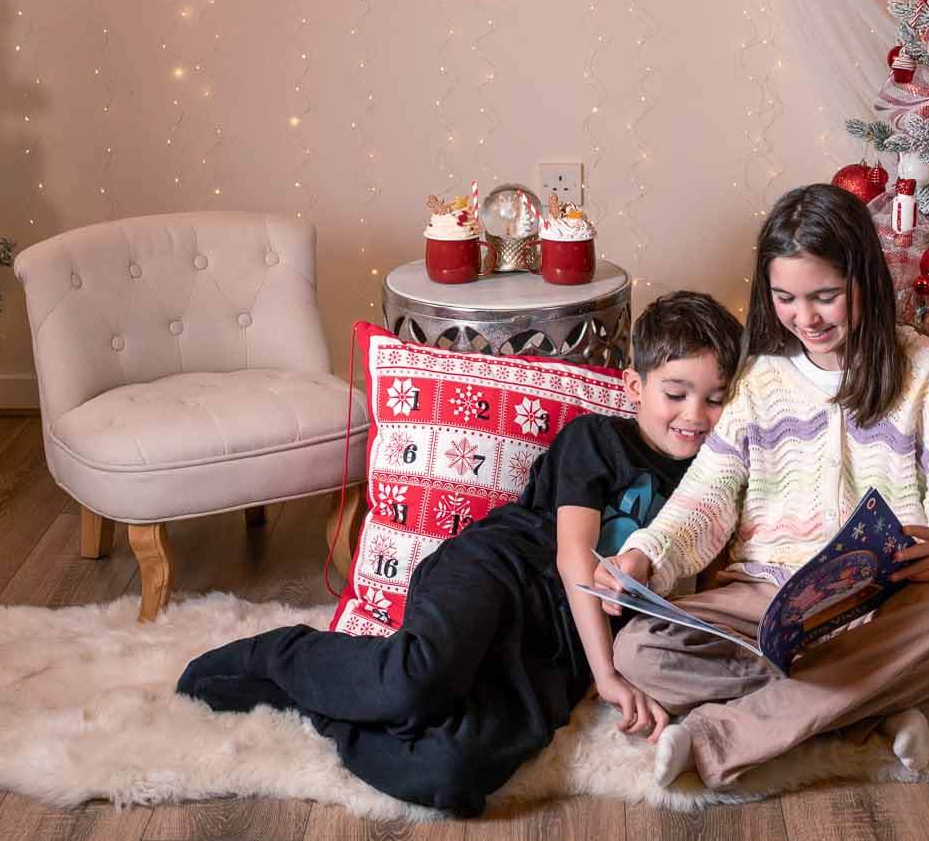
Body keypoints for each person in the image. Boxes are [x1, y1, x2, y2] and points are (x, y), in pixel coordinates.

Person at [173, 290, 743, 817]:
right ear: (633, 387)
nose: (694, 415)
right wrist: (610, 674)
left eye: (715, 399)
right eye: (676, 393)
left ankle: (322, 705)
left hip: (556, 649)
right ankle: (280, 655)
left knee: (455, 776)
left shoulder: (713, 482)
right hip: (499, 575)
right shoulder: (597, 439)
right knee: (415, 684)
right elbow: (575, 558)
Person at [600, 183, 929, 790]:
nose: (805, 318)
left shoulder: (923, 367)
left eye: (825, 297)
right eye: (785, 297)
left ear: (864, 279)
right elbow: (706, 495)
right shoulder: (760, 378)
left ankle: (721, 737)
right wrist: (648, 555)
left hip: (881, 606)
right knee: (638, 653)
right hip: (764, 601)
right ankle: (875, 703)